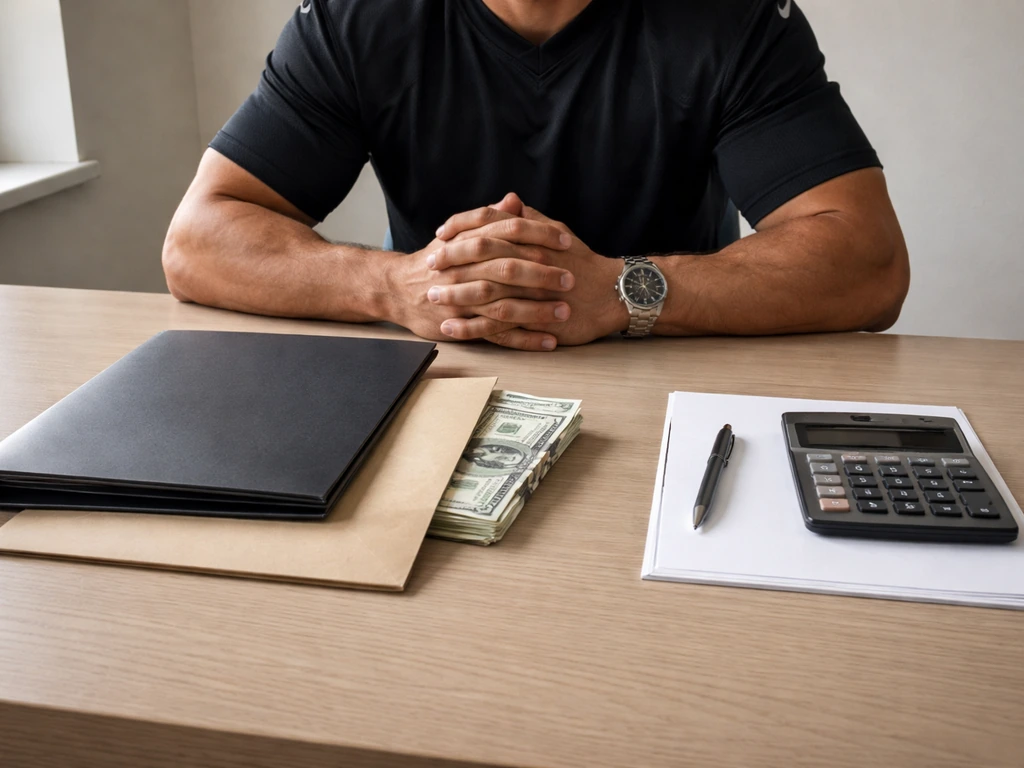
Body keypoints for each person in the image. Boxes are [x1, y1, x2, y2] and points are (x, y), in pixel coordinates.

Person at [163, 0, 909, 351]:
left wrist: (621, 293)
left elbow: (867, 262)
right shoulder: (355, 19)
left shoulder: (732, 17)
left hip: (677, 358)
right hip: (441, 369)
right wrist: (392, 286)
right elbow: (198, 241)